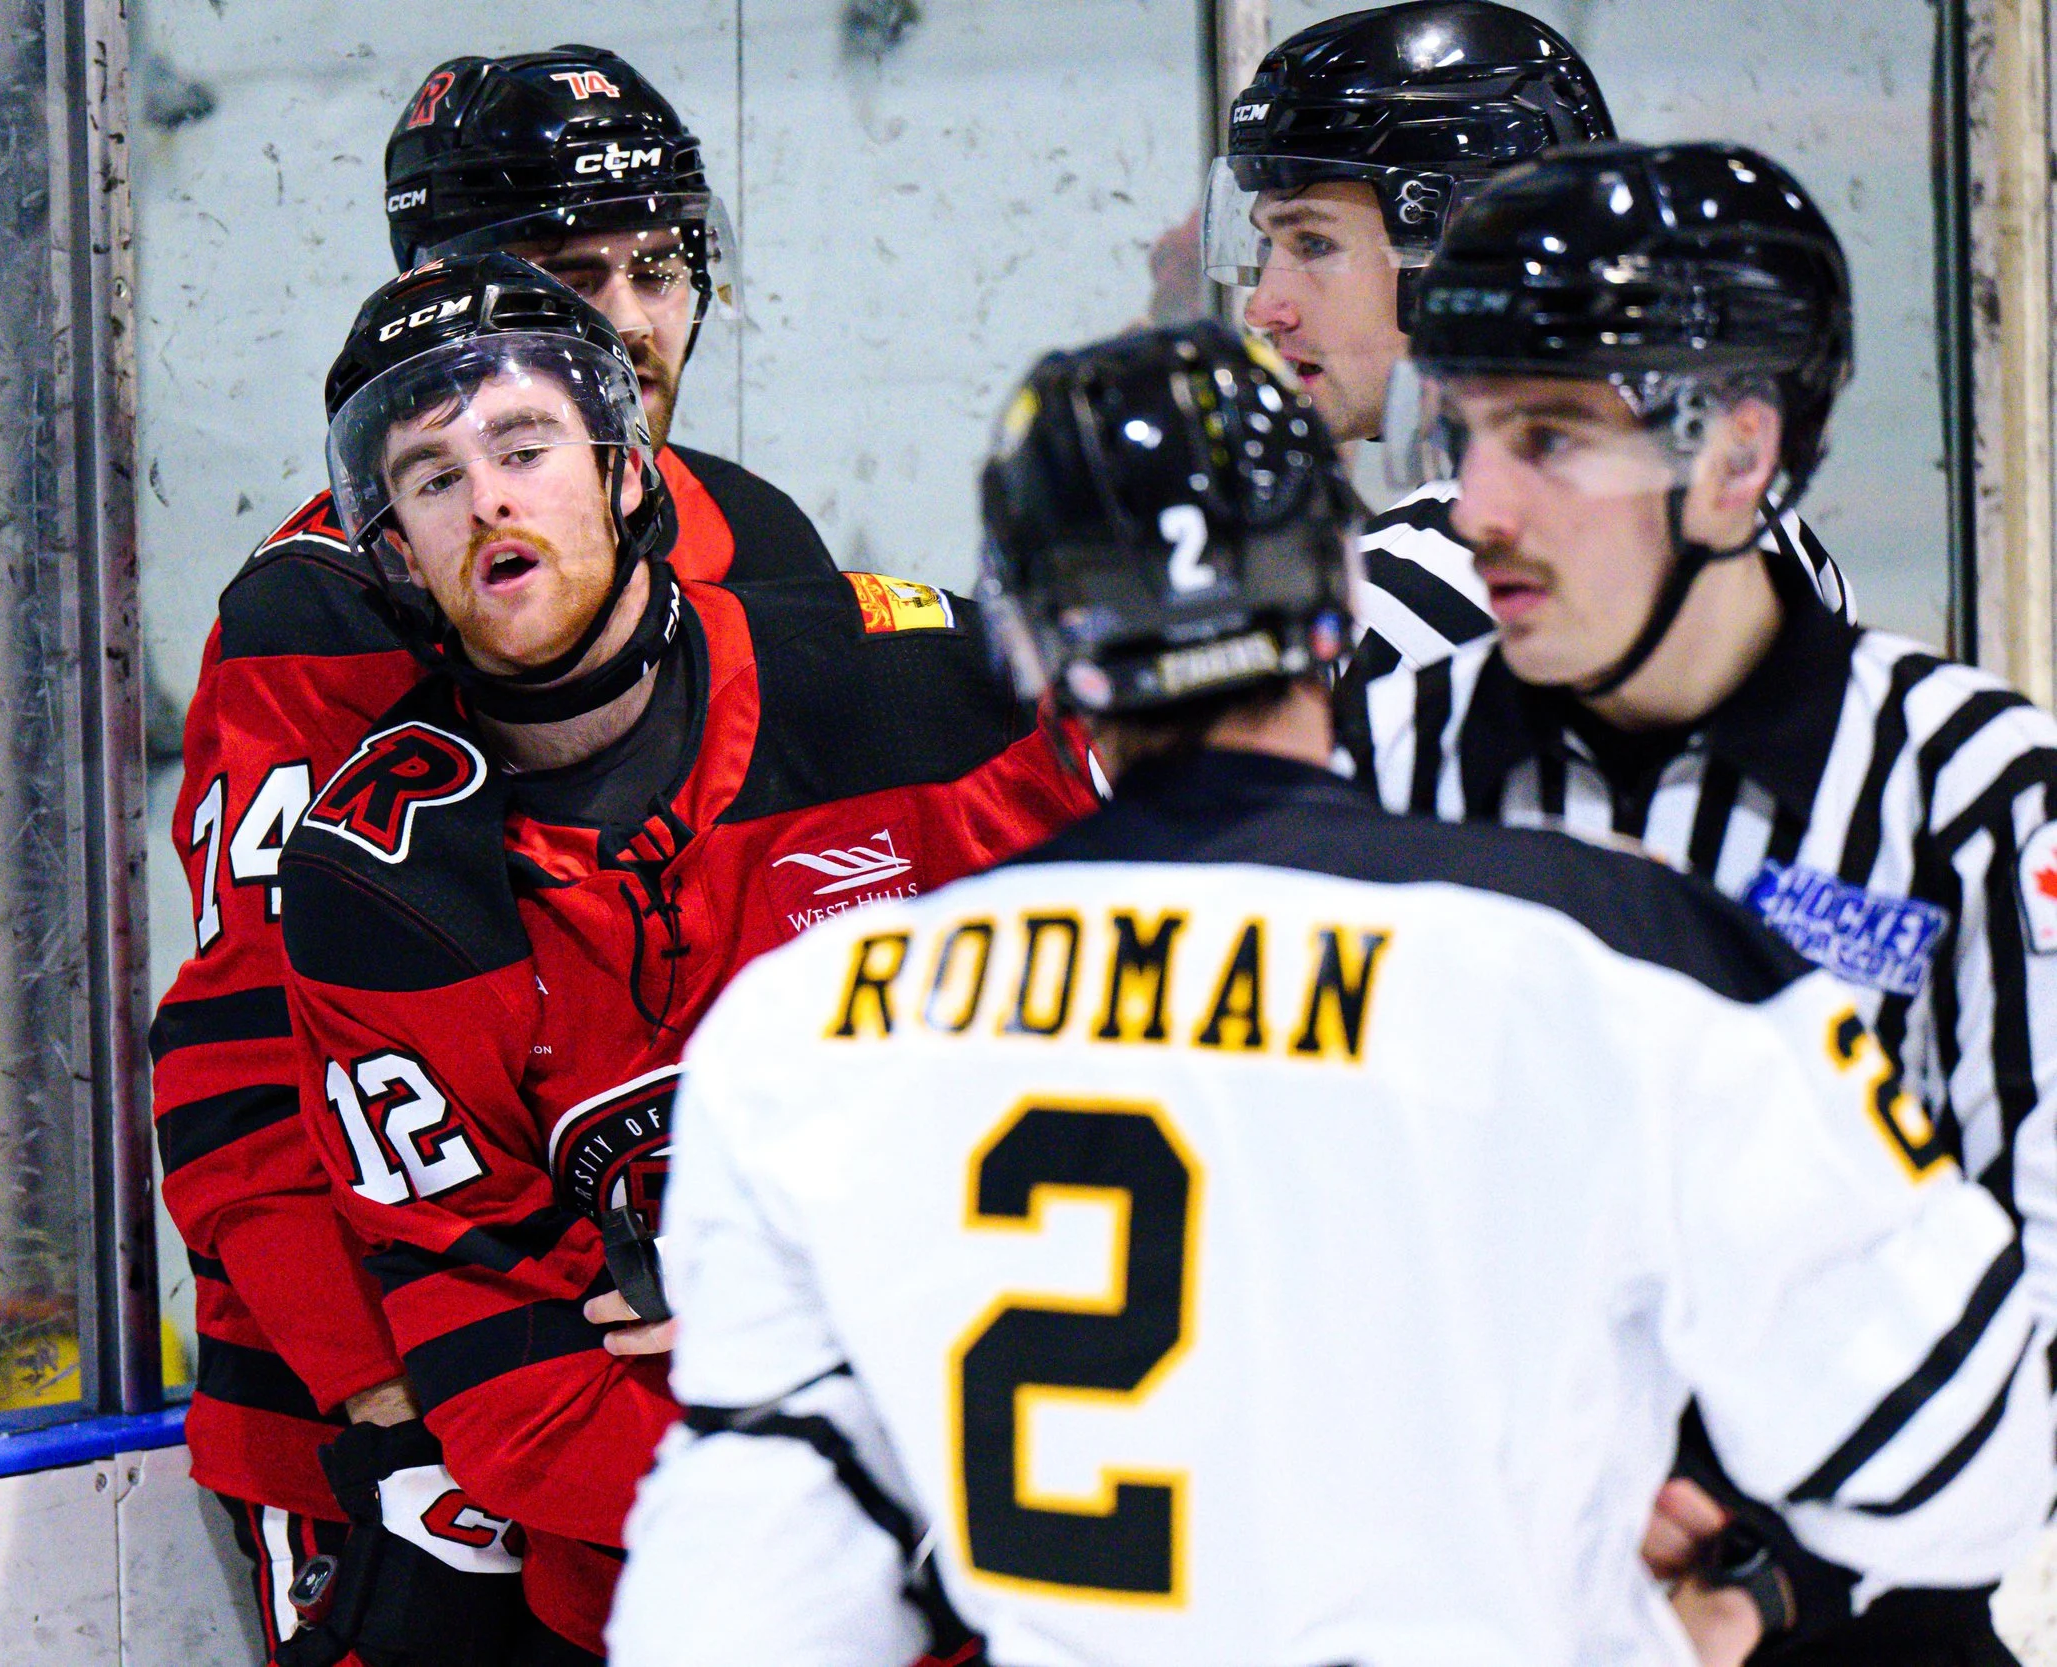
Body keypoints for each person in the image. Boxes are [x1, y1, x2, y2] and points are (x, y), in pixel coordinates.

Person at [604, 320, 2056, 1667]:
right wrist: (1746, 1583)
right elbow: (1960, 1461)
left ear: (1029, 642)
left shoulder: (815, 1022)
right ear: (1345, 593)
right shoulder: (1604, 956)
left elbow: (736, 1601)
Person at [271, 253, 1098, 1663]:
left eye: (524, 445)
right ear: (397, 552)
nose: (489, 497)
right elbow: (512, 1388)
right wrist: (850, 1519)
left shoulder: (919, 691)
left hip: (1055, 1555)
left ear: (625, 472)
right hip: (686, 1607)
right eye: (430, 474)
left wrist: (834, 1295)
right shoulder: (383, 883)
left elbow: (1176, 1102)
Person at [147, 44, 839, 1663]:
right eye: (569, 273)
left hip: (651, 1385)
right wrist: (394, 1401)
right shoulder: (329, 602)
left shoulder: (750, 542)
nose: (632, 322)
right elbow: (240, 1059)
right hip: (384, 1412)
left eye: (658, 266)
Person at [1349, 139, 2057, 1665]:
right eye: (1461, 433)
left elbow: (2041, 1290)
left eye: (1548, 436)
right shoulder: (1378, 758)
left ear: (1739, 460)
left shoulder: (1974, 792)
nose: (1473, 506)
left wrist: (1774, 1573)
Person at [1207, 0, 1853, 679]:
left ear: (1468, 241)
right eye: (1267, 244)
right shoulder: (1764, 531)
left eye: (1313, 242)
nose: (1265, 307)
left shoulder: (1377, 604)